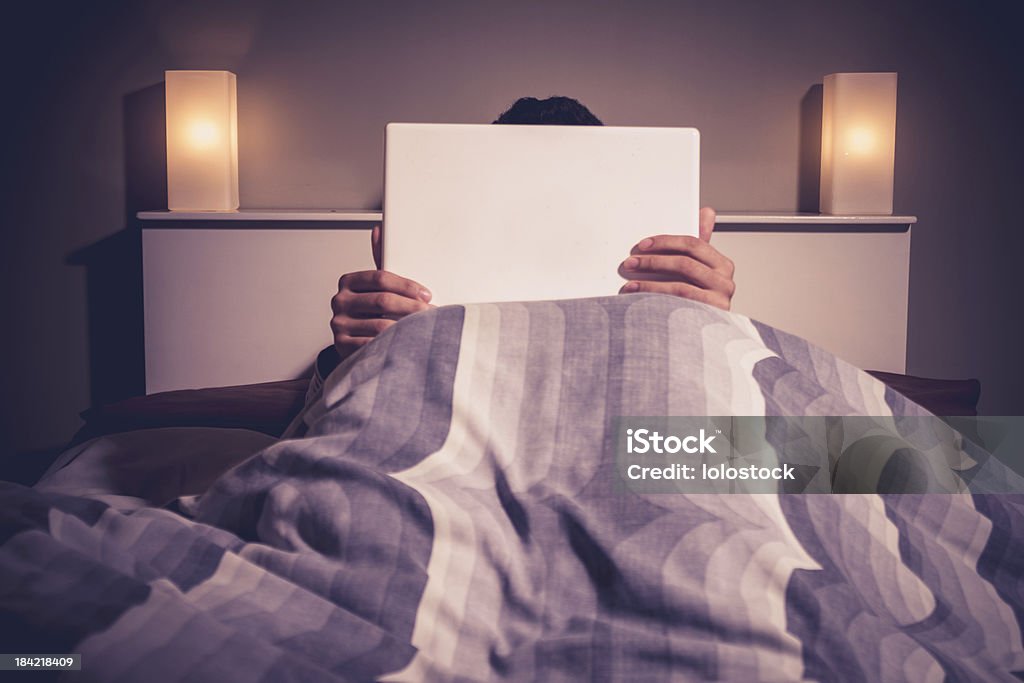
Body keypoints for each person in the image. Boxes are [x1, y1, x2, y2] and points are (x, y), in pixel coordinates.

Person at [324, 96, 736, 375]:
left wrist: (712, 341)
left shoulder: (676, 362)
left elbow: (792, 464)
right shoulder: (406, 359)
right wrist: (349, 365)